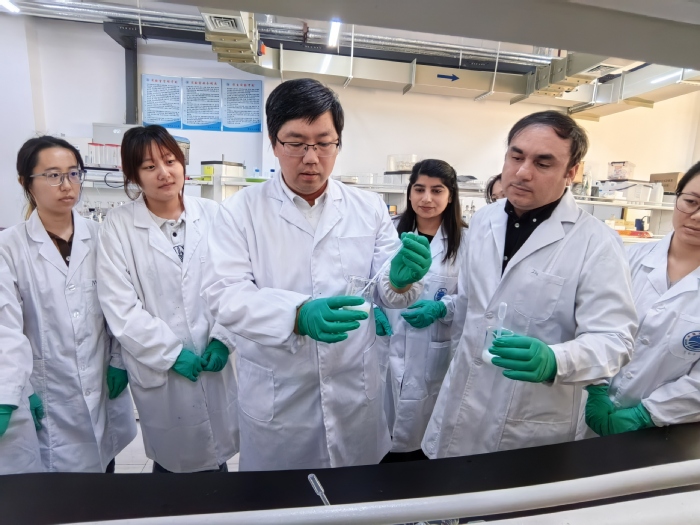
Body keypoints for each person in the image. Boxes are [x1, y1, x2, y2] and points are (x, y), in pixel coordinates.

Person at [201, 78, 432, 471]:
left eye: (324, 143)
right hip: (280, 400)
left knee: (357, 495)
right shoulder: (240, 211)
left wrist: (401, 280)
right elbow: (224, 295)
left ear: (338, 143)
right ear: (274, 143)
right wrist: (296, 314)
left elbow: (387, 292)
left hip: (354, 394)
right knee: (281, 500)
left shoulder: (368, 207)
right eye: (296, 143)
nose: (311, 158)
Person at [422, 110, 638, 458]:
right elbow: (473, 306)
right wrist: (442, 309)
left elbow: (615, 340)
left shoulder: (596, 243)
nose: (523, 172)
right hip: (463, 402)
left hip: (531, 419)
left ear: (571, 172)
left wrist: (555, 360)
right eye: (516, 156)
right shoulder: (484, 220)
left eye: (543, 163)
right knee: (448, 488)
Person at [96, 125, 238, 473]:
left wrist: (223, 338)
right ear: (134, 176)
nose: (164, 173)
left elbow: (236, 283)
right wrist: (171, 353)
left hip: (213, 360)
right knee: (172, 464)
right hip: (161, 370)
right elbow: (121, 306)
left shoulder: (214, 214)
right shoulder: (117, 226)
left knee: (218, 458)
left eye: (171, 161)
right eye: (149, 166)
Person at [0, 136, 136, 473]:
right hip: (47, 393)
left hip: (101, 388)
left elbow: (123, 306)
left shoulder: (103, 237)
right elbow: (6, 329)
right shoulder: (9, 248)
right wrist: (17, 389)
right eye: (53, 175)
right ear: (25, 182)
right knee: (56, 489)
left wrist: (119, 361)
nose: (67, 185)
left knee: (104, 475)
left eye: (74, 173)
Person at [586, 162, 700, 436]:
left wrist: (647, 414)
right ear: (676, 198)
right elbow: (592, 325)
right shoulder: (626, 259)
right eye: (691, 202)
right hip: (589, 412)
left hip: (666, 431)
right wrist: (596, 386)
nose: (697, 216)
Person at [382, 159, 468, 462]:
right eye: (419, 189)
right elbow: (368, 280)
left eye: (437, 190)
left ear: (451, 195)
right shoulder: (389, 232)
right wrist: (374, 309)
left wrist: (441, 307)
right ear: (409, 193)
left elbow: (473, 297)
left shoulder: (466, 241)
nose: (426, 198)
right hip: (387, 342)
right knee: (379, 435)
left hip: (434, 349)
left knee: (424, 440)